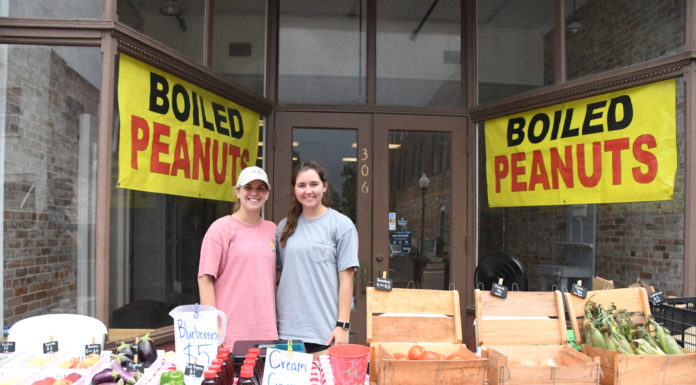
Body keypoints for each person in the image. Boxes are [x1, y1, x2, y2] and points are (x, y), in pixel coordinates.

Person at [276, 161, 360, 357]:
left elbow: (347, 280)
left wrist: (343, 326)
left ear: (324, 186)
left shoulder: (341, 225)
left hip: (324, 331)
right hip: (286, 329)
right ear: (294, 189)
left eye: (314, 184)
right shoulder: (283, 228)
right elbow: (279, 277)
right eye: (301, 185)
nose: (308, 191)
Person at [198, 166, 278, 348]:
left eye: (261, 188)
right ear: (238, 192)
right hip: (229, 334)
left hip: (266, 332)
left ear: (267, 194)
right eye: (248, 187)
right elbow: (205, 278)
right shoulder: (220, 229)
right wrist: (214, 324)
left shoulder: (273, 230)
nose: (254, 193)